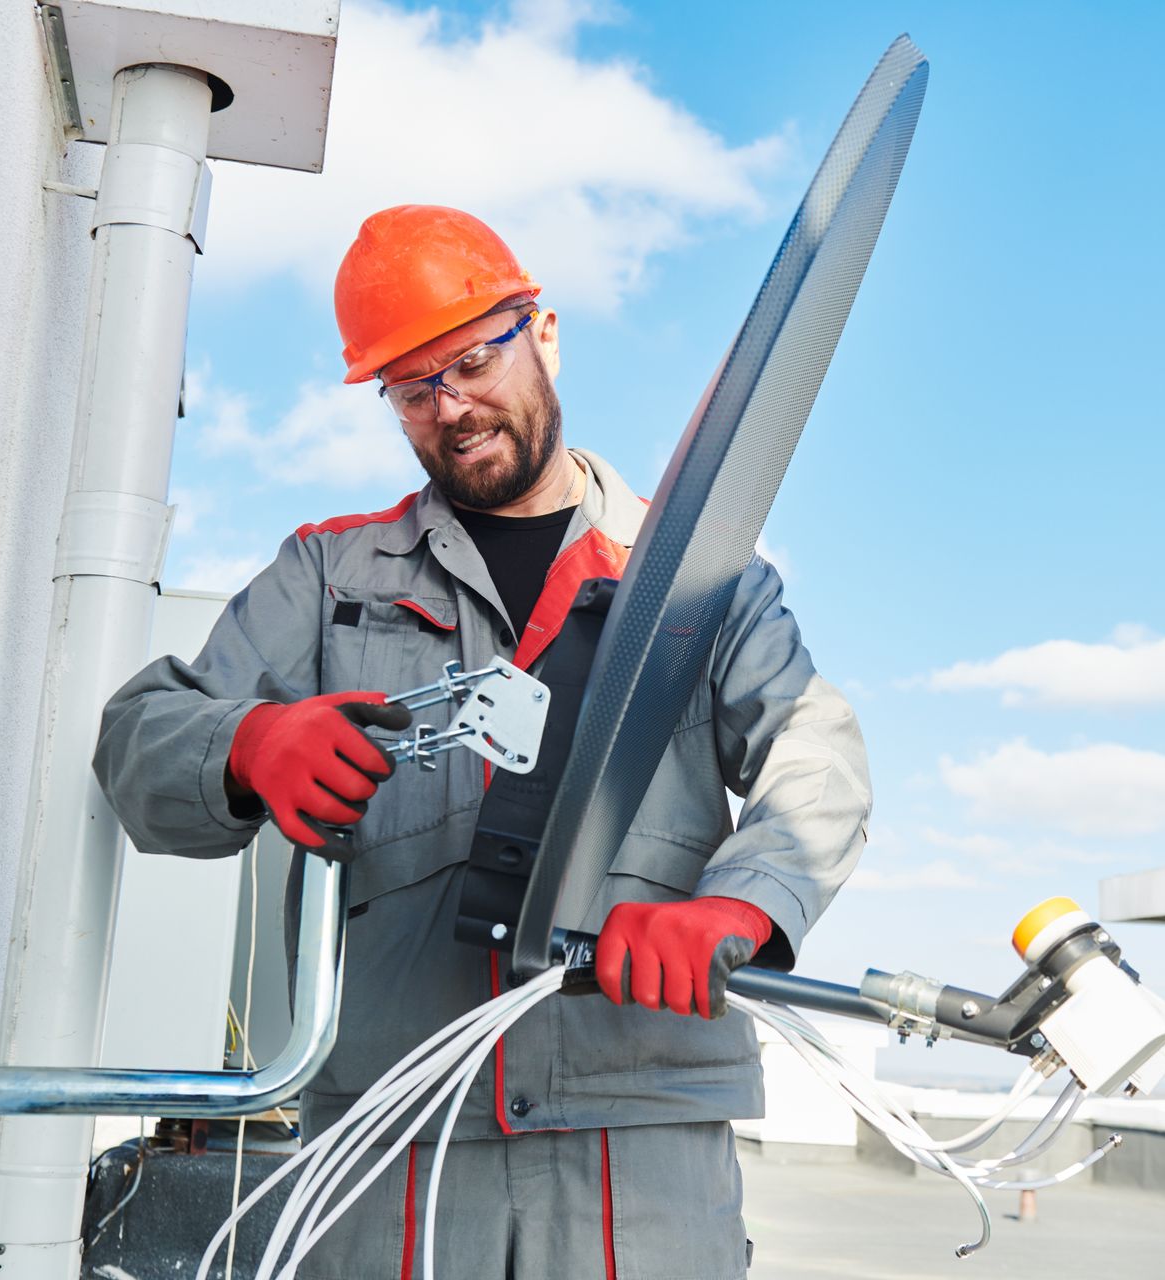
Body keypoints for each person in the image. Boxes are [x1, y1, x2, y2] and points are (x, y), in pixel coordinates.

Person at [94, 204, 871, 1279]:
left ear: (541, 331)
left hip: (635, 1124)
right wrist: (248, 741)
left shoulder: (698, 575)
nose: (451, 407)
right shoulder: (332, 577)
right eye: (414, 388)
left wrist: (737, 902)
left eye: (470, 360)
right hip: (391, 1125)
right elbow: (139, 733)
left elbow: (813, 751)